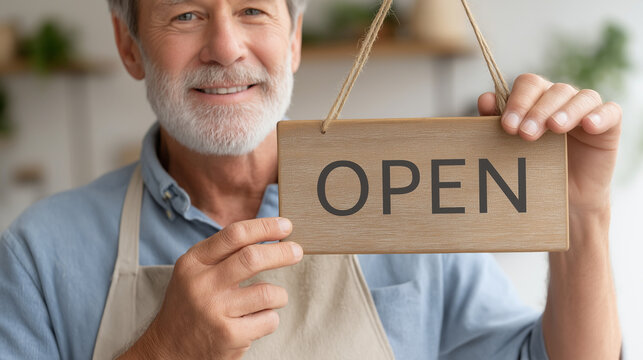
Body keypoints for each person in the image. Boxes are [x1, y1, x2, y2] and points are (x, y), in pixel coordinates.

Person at [0, 0, 622, 359]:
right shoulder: (39, 253)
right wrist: (162, 349)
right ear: (129, 44)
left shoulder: (409, 197)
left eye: (253, 9)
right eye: (186, 12)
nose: (225, 47)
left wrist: (582, 217)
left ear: (293, 39)